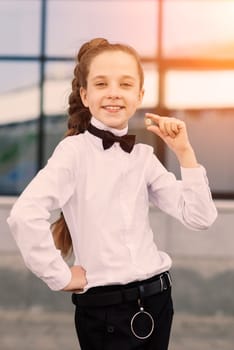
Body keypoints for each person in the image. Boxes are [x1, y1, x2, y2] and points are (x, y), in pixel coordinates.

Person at [7, 38, 217, 350]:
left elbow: (200, 216)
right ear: (85, 94)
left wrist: (184, 153)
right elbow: (24, 215)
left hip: (158, 301)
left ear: (140, 95)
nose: (114, 92)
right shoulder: (73, 153)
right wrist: (59, 276)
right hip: (106, 313)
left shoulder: (144, 156)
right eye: (101, 83)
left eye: (126, 83)